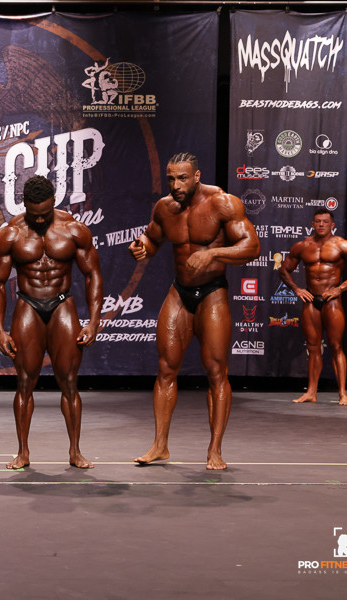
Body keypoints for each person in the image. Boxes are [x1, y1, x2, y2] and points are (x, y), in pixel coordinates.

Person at [128, 153, 260, 470]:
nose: (175, 185)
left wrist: (213, 253)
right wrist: (141, 246)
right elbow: (153, 237)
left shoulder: (223, 203)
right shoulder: (164, 207)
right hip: (180, 292)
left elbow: (252, 246)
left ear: (197, 176)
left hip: (212, 292)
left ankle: (215, 450)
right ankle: (160, 446)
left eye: (182, 178)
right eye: (171, 179)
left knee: (216, 372)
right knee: (166, 368)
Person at [0, 176, 102, 469]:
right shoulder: (10, 234)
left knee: (69, 381)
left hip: (62, 304)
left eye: (45, 213)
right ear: (24, 204)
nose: (39, 219)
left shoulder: (74, 229)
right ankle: (22, 452)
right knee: (25, 381)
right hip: (28, 304)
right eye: (33, 213)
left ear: (54, 202)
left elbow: (92, 275)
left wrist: (93, 321)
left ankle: (75, 451)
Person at [278, 208, 347, 405]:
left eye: (325, 222)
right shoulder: (302, 246)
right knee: (313, 347)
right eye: (317, 221)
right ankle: (311, 392)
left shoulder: (342, 245)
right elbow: (284, 269)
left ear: (332, 225)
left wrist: (340, 288)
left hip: (332, 301)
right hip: (311, 301)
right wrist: (296, 289)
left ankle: (343, 394)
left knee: (336, 346)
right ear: (312, 224)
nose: (321, 224)